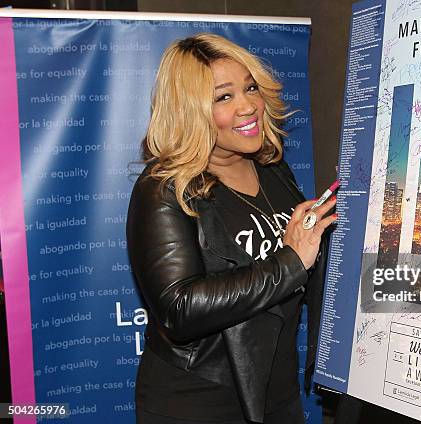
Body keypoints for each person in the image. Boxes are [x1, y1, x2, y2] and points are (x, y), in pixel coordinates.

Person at [126, 33, 337, 424]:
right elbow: (179, 308)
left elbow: (304, 268)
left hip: (278, 391)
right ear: (190, 110)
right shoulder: (166, 189)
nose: (249, 106)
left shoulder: (273, 170)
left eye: (250, 87)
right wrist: (290, 262)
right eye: (224, 97)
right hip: (200, 401)